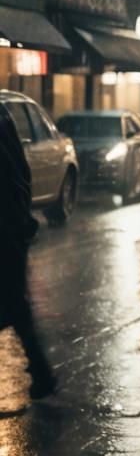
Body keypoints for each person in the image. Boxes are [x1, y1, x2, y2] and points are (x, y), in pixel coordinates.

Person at [0, 103, 57, 399]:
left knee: (13, 303)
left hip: (6, 230)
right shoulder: (2, 118)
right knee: (14, 304)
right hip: (10, 228)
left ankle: (42, 372)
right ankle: (41, 372)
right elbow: (19, 174)